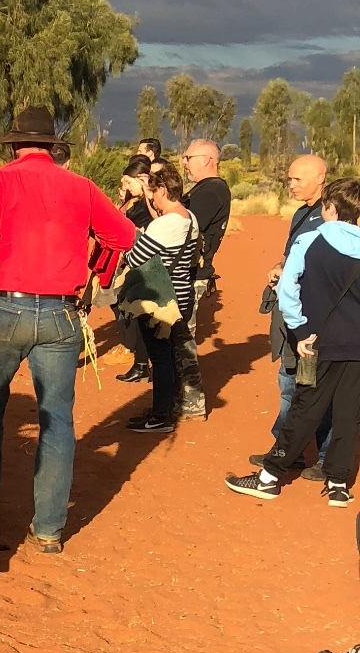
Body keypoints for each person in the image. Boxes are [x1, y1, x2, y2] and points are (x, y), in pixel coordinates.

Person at [0, 106, 137, 553]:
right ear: (54, 147)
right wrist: (92, 264)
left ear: (15, 145)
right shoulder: (82, 187)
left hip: (6, 309)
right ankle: (49, 528)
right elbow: (126, 238)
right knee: (56, 421)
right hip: (62, 315)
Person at [228, 178, 360, 508]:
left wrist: (301, 332)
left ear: (330, 208)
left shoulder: (309, 241)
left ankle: (270, 476)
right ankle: (338, 484)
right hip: (356, 346)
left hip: (318, 342)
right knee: (349, 414)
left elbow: (288, 292)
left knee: (305, 409)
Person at [116, 167, 200, 432]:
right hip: (181, 296)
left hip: (160, 301)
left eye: (153, 195)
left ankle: (161, 416)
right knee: (169, 356)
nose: (152, 201)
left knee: (160, 358)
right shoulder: (189, 218)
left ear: (163, 191)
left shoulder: (164, 224)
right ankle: (162, 410)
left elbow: (135, 257)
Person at [261, 153, 330, 470]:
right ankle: (286, 450)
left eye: (297, 179)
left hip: (317, 316)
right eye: (289, 178)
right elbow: (291, 254)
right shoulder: (301, 214)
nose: (291, 184)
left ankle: (326, 457)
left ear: (320, 177)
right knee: (289, 381)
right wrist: (280, 266)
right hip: (293, 312)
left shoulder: (335, 216)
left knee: (317, 384)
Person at [176, 138, 232, 419]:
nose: (184, 163)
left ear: (208, 159)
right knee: (177, 338)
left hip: (192, 274)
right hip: (190, 272)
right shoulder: (205, 189)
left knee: (182, 339)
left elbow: (184, 226)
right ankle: (179, 400)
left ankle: (192, 404)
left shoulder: (212, 190)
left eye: (189, 157)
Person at [113, 156, 156, 385]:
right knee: (135, 314)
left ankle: (143, 364)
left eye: (129, 183)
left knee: (141, 315)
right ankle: (140, 363)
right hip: (132, 264)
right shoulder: (135, 203)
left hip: (142, 266)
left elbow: (124, 225)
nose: (126, 188)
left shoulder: (147, 207)